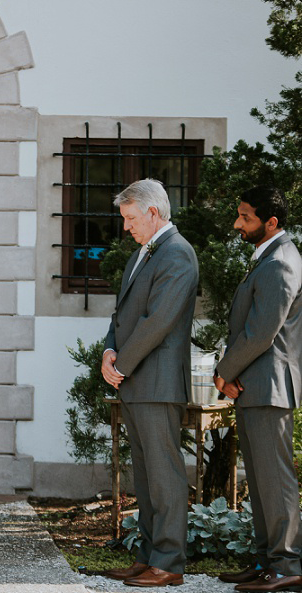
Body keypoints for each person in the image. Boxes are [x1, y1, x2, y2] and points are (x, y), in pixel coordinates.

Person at [99, 179, 198, 587]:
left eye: (131, 218)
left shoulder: (178, 254)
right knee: (145, 477)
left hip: (156, 382)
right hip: (135, 381)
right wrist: (108, 351)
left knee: (165, 476)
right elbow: (122, 314)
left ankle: (169, 562)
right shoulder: (143, 253)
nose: (126, 227)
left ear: (154, 213)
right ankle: (148, 555)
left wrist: (121, 364)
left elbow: (157, 321)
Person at [214, 187, 302, 593]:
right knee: (262, 480)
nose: (237, 224)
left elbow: (260, 334)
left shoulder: (280, 263)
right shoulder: (267, 257)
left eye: (245, 217)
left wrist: (223, 371)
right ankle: (268, 561)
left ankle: (287, 566)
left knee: (275, 480)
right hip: (255, 386)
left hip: (269, 387)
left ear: (272, 222)